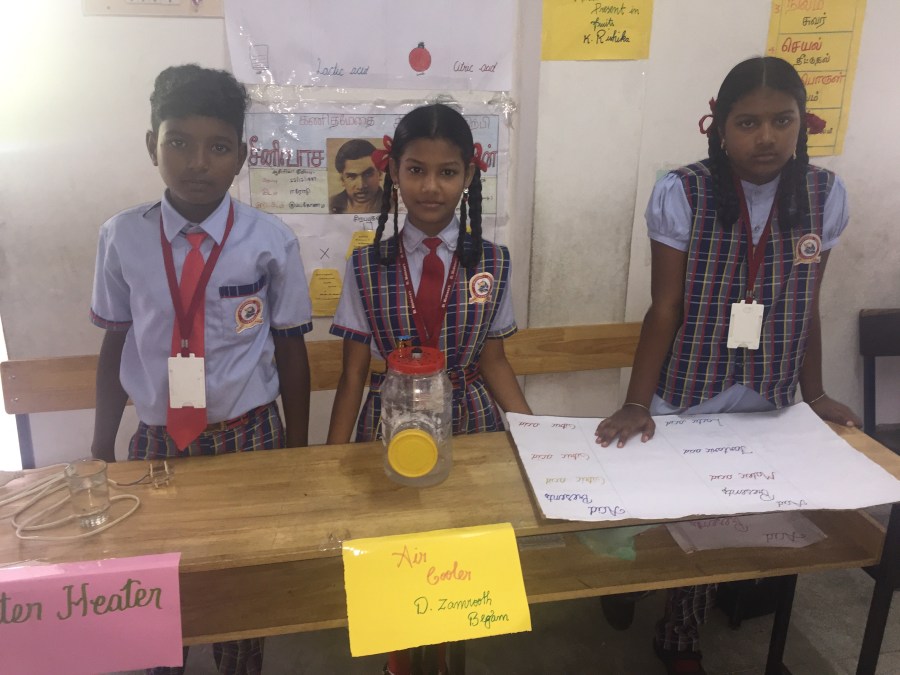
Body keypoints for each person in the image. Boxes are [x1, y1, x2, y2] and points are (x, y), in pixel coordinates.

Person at [594, 56, 861, 675]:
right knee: (653, 508)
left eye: (782, 121)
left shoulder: (825, 195)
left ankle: (679, 635)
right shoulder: (683, 191)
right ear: (719, 127)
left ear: (802, 124)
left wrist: (816, 393)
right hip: (690, 383)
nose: (766, 137)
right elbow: (665, 306)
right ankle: (627, 583)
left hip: (768, 388)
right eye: (747, 123)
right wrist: (637, 401)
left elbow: (807, 303)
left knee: (719, 520)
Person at [89, 64, 312, 675]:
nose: (197, 163)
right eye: (179, 142)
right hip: (157, 441)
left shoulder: (270, 240)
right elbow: (115, 342)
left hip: (250, 438)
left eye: (218, 147)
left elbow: (290, 348)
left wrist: (298, 451)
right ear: (151, 145)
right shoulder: (121, 238)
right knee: (157, 592)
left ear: (241, 155)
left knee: (241, 593)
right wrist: (101, 444)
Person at [327, 103, 531, 675]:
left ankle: (448, 653)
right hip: (389, 425)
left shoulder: (494, 263)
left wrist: (537, 437)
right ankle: (400, 656)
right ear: (394, 172)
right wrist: (327, 462)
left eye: (447, 172)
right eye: (416, 170)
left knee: (460, 556)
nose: (431, 187)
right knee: (396, 547)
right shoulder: (366, 265)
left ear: (468, 176)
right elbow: (352, 374)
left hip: (470, 424)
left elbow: (495, 362)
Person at [329, 138, 385, 214]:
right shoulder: (331, 204)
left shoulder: (394, 206)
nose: (361, 186)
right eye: (352, 176)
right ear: (342, 179)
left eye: (368, 174)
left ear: (380, 174)